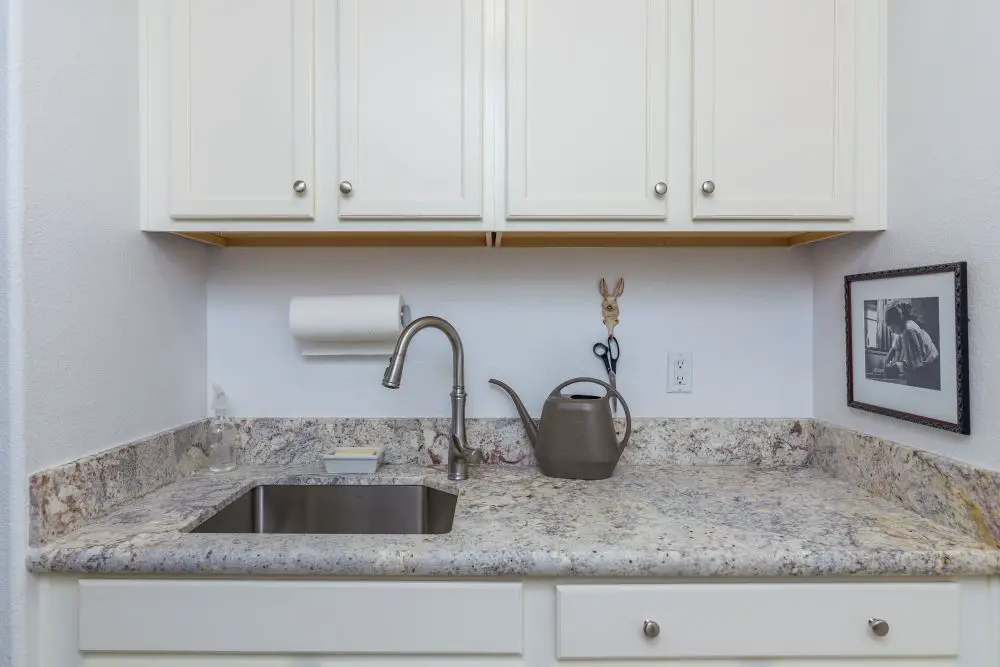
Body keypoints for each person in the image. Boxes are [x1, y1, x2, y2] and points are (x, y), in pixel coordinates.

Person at [884, 302, 940, 390]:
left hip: (930, 369)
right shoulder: (905, 327)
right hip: (928, 366)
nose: (892, 332)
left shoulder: (908, 331)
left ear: (897, 323)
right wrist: (898, 365)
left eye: (893, 328)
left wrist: (900, 370)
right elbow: (913, 359)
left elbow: (917, 367)